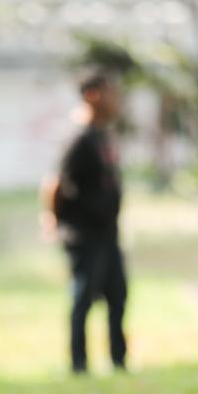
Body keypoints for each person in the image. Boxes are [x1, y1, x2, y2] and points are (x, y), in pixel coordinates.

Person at [43, 71, 128, 374]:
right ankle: (79, 365)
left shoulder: (103, 134)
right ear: (92, 94)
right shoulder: (77, 137)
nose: (115, 99)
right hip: (83, 234)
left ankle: (119, 361)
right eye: (109, 91)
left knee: (118, 296)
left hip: (107, 233)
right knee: (83, 300)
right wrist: (52, 219)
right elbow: (54, 184)